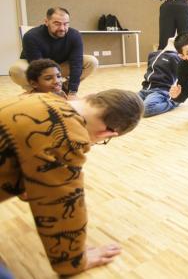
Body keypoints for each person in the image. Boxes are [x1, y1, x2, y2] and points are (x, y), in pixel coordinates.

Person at [0, 89, 143, 276]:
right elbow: (60, 203)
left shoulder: (41, 98)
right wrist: (74, 259)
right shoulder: (68, 136)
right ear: (107, 133)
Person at [9, 7, 98, 99]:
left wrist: (73, 92)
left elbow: (77, 63)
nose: (62, 28)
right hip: (36, 67)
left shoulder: (75, 35)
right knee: (16, 69)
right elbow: (38, 67)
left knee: (91, 61)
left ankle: (65, 88)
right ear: (46, 22)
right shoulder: (31, 36)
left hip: (59, 67)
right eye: (57, 24)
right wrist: (52, 90)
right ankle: (37, 92)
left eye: (66, 24)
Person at [138, 37, 188, 117]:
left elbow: (185, 79)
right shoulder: (152, 55)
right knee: (126, 103)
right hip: (145, 89)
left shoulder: (176, 58)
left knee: (146, 109)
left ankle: (174, 102)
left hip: (161, 91)